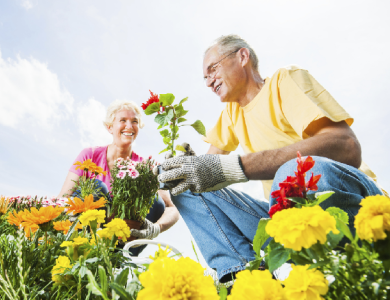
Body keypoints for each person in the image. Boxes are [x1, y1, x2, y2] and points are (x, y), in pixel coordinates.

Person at [158, 34, 387, 282]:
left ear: (242, 56)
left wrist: (237, 167)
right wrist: (172, 172)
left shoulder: (284, 80)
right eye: (204, 76)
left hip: (350, 205)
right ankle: (243, 276)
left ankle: (300, 263)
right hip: (286, 224)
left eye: (212, 69)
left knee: (293, 170)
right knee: (186, 186)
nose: (208, 81)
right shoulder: (231, 115)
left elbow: (346, 146)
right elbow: (204, 173)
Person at [58, 100, 179, 255]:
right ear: (110, 127)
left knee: (156, 201)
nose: (129, 126)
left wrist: (156, 228)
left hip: (124, 239)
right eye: (123, 120)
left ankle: (120, 257)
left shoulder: (145, 167)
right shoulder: (89, 156)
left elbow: (171, 208)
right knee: (97, 187)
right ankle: (83, 250)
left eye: (134, 121)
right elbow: (62, 199)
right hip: (88, 231)